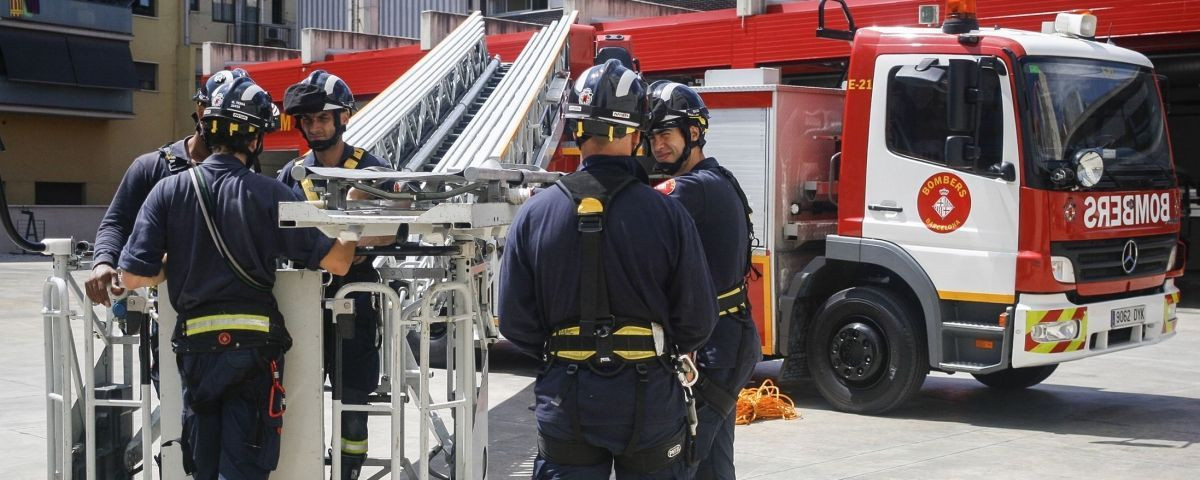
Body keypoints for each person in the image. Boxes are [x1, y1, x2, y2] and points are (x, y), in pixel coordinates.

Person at [118, 76, 365, 480]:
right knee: (246, 465)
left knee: (203, 465)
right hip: (255, 353)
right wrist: (352, 220)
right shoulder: (270, 194)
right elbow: (337, 262)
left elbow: (131, 275)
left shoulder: (167, 191)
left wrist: (175, 263)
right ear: (254, 140)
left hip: (196, 352)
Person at [499, 59, 718, 479]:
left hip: (566, 398)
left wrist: (565, 352)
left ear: (576, 129)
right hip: (649, 399)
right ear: (636, 135)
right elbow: (697, 320)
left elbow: (515, 321)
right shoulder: (667, 215)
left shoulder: (534, 214)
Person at [87, 68, 251, 395]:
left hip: (235, 316)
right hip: (171, 313)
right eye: (213, 111)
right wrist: (103, 262)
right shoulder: (153, 168)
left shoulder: (248, 170)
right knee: (175, 403)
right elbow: (117, 222)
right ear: (201, 110)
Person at [276, 69, 388, 480]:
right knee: (298, 396)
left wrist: (362, 238)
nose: (315, 126)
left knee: (353, 404)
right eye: (307, 120)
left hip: (355, 301)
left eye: (323, 118)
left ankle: (348, 472)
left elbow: (395, 231)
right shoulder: (290, 176)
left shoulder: (373, 171)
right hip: (302, 300)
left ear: (344, 118)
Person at [647, 80, 761, 480]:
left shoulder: (692, 188)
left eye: (665, 134)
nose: (657, 145)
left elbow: (638, 209)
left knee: (679, 462)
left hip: (718, 348)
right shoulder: (718, 178)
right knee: (712, 465)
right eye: (650, 137)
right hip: (726, 339)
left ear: (693, 133)